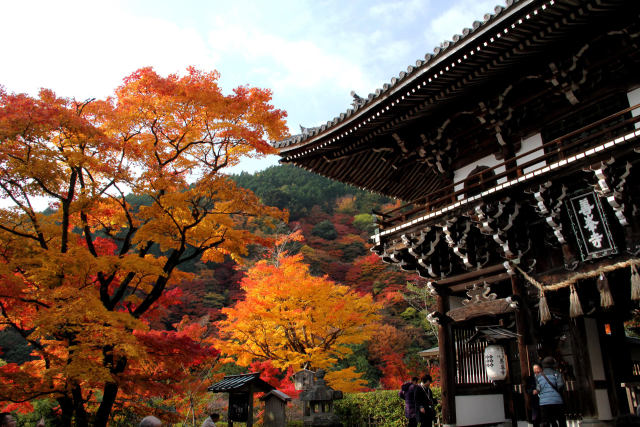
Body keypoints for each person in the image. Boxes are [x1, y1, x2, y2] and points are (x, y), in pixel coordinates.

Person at [535, 357, 566, 427]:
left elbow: (538, 389)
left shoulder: (538, 376)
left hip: (544, 402)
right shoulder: (557, 374)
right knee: (561, 420)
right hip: (557, 401)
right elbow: (560, 386)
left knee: (546, 422)